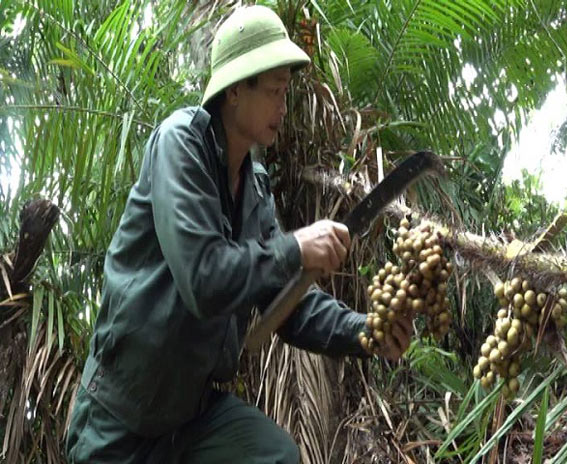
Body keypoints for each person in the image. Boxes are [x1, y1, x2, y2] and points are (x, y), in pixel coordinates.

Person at [65, 5, 413, 464]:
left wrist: (366, 333)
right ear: (234, 92)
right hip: (119, 421)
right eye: (273, 92)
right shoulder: (179, 147)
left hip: (191, 418)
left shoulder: (254, 186)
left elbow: (285, 302)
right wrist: (295, 247)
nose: (283, 108)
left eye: (285, 93)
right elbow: (203, 280)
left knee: (275, 457)